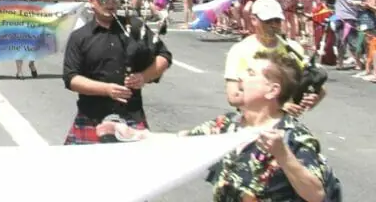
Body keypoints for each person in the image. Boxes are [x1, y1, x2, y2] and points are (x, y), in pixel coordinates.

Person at [97, 50, 341, 201]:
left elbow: (316, 194)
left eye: (251, 73)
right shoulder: (227, 125)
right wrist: (134, 134)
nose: (241, 77)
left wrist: (282, 154)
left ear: (272, 90)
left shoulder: (293, 136)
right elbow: (181, 141)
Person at [61, 0, 171, 144]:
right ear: (92, 2)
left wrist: (143, 76)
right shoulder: (80, 37)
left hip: (131, 113)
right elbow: (71, 79)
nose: (110, 3)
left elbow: (164, 56)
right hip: (92, 115)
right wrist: (106, 89)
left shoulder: (134, 27)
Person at [224, 0, 324, 116]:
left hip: (284, 122)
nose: (273, 25)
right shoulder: (240, 50)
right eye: (267, 21)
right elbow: (233, 97)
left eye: (277, 20)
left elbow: (318, 87)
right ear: (253, 20)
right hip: (252, 119)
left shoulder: (294, 48)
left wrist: (313, 97)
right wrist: (279, 104)